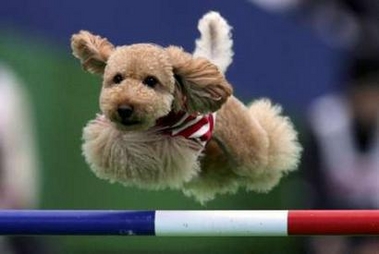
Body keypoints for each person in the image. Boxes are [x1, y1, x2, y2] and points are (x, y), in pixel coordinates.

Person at [303, 55, 379, 254]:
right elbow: (312, 185)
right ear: (350, 93)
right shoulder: (324, 123)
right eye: (363, 94)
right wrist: (325, 229)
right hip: (332, 220)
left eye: (374, 95)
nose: (369, 103)